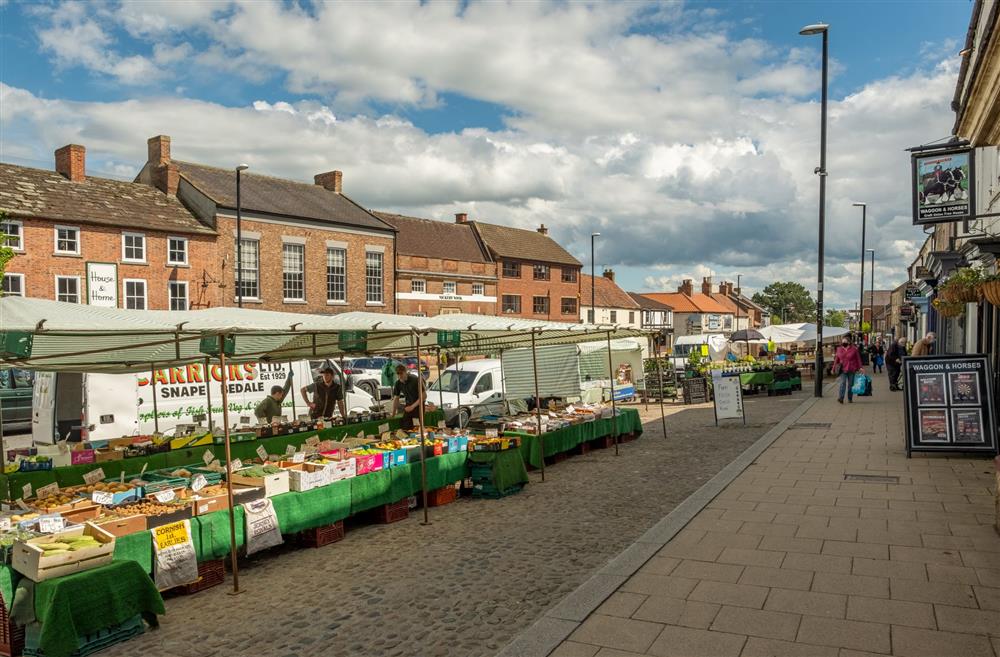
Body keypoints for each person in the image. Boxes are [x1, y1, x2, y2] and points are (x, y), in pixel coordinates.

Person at [391, 363, 424, 429]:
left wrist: (412, 406)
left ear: (405, 372)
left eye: (401, 373)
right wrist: (393, 413)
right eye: (398, 374)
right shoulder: (398, 383)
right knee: (405, 426)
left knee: (417, 427)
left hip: (418, 406)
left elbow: (424, 396)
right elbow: (396, 398)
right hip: (408, 406)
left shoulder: (414, 379)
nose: (400, 376)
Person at [833, 335, 863, 404]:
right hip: (842, 369)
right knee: (842, 383)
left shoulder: (854, 349)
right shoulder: (839, 349)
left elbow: (858, 359)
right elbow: (836, 359)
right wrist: (833, 368)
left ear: (849, 342)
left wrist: (860, 367)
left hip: (851, 369)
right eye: (842, 342)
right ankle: (841, 398)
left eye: (845, 342)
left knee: (850, 385)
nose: (843, 343)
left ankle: (850, 398)